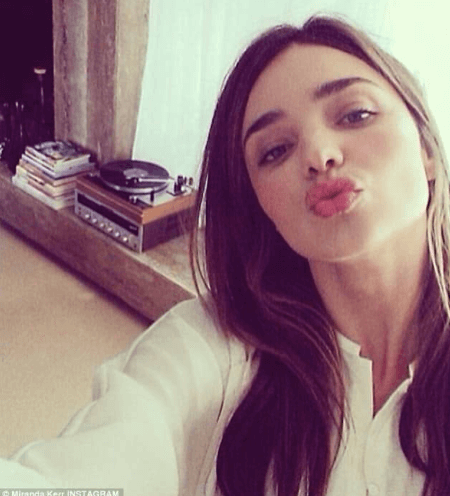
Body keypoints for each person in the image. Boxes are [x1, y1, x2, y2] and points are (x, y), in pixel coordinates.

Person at [1, 14, 449, 496]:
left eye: (355, 114)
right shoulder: (208, 347)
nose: (319, 155)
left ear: (426, 147)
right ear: (261, 206)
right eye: (275, 150)